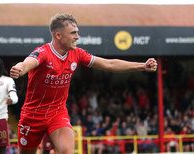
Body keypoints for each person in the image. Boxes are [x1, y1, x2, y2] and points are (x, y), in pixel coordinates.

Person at [10, 13, 157, 154]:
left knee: (67, 152)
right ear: (58, 35)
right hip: (32, 116)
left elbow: (109, 64)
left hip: (57, 113)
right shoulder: (43, 52)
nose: (77, 37)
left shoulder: (77, 54)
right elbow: (27, 63)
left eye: (77, 32)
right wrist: (19, 69)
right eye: (73, 33)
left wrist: (142, 66)